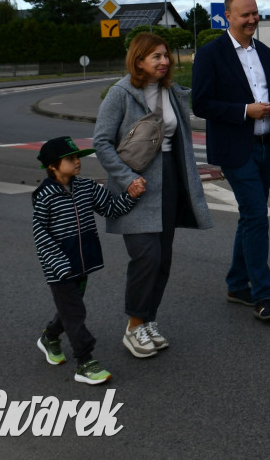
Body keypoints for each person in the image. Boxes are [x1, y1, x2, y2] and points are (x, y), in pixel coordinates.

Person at [94, 33, 214, 358]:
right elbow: (101, 141)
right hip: (135, 188)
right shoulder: (120, 94)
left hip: (170, 184)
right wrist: (126, 178)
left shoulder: (170, 92)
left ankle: (148, 321)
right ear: (138, 61)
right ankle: (134, 326)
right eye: (156, 57)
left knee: (162, 259)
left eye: (165, 56)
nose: (164, 61)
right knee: (145, 257)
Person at [192, 0, 270, 321]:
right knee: (257, 217)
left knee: (251, 216)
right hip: (236, 150)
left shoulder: (263, 51)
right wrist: (244, 111)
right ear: (228, 17)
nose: (251, 20)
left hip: (266, 146)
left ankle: (236, 283)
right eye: (244, 14)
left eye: (255, 13)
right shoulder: (210, 54)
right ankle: (263, 295)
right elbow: (201, 103)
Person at [32, 136, 145, 384]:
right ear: (53, 165)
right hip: (59, 268)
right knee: (75, 312)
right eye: (71, 159)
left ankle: (50, 336)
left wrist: (132, 194)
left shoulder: (86, 187)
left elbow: (111, 208)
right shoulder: (44, 195)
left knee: (68, 310)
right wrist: (59, 264)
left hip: (82, 264)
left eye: (78, 158)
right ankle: (85, 362)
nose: (77, 162)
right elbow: (40, 233)